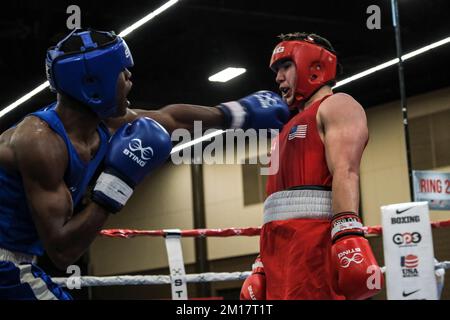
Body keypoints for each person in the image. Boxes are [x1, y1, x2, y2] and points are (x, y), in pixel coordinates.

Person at [0, 28, 289, 300]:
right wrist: (118, 184)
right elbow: (63, 251)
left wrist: (237, 113)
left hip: (18, 259)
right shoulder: (41, 143)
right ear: (93, 84)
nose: (129, 78)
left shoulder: (102, 124)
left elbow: (171, 119)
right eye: (121, 72)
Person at [240, 32, 383, 300]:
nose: (278, 77)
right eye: (277, 70)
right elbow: (278, 201)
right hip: (278, 249)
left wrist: (348, 234)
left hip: (313, 245)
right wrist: (262, 262)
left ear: (313, 66)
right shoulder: (285, 128)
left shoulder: (338, 105)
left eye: (285, 66)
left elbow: (346, 171)